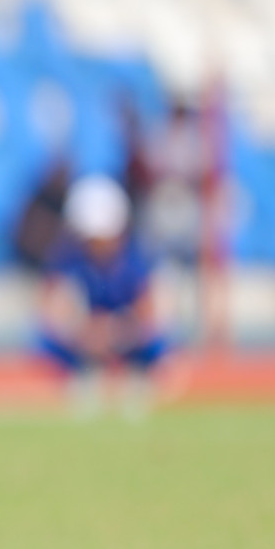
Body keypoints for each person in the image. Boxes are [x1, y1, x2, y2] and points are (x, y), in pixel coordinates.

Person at [40, 175, 167, 417]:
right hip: (84, 338)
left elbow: (148, 307)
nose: (100, 244)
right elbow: (53, 306)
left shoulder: (136, 257)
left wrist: (118, 330)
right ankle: (78, 378)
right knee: (43, 340)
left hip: (124, 334)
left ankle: (137, 379)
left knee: (160, 341)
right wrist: (84, 331)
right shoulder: (68, 257)